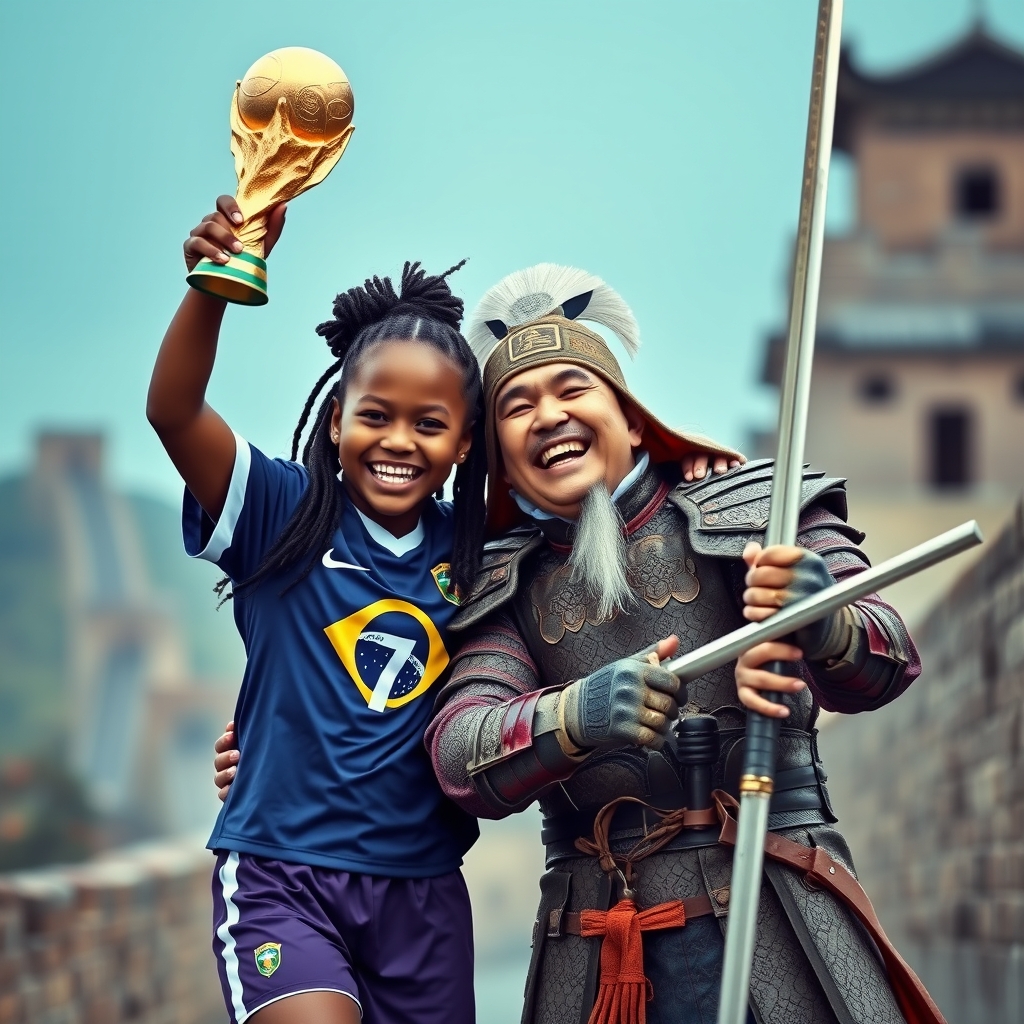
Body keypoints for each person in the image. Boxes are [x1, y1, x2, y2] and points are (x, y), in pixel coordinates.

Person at [424, 264, 923, 1024]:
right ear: (498, 453)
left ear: (630, 420)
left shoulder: (760, 508)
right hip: (597, 946)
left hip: (784, 903)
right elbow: (461, 753)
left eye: (571, 389)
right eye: (516, 406)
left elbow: (888, 655)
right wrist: (575, 715)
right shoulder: (501, 588)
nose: (547, 416)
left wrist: (822, 618)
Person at [147, 194, 491, 1024]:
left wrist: (679, 459)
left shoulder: (480, 560)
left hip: (425, 897)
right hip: (281, 877)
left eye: (430, 424)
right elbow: (174, 413)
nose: (399, 441)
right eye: (374, 414)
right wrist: (213, 284)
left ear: (466, 443)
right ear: (336, 420)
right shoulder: (281, 514)